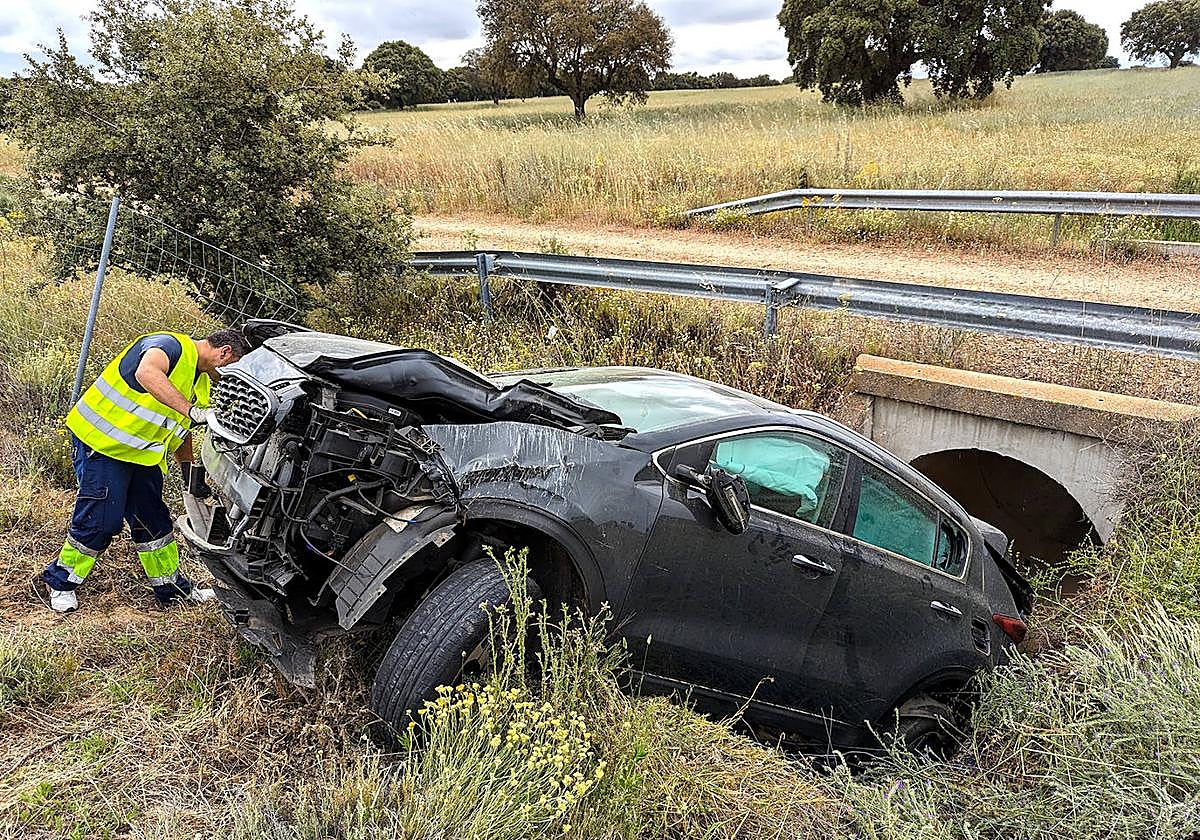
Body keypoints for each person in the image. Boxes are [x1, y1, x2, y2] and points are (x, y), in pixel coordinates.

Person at [40, 328, 251, 613]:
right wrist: (192, 411)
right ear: (225, 352)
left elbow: (179, 425)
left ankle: (172, 589)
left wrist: (188, 469)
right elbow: (147, 374)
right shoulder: (169, 346)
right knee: (101, 519)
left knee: (153, 521)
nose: (231, 377)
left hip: (141, 455)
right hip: (103, 445)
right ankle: (60, 582)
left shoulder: (199, 380)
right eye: (234, 367)